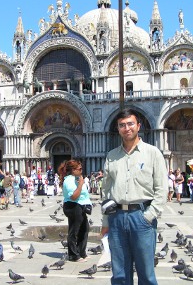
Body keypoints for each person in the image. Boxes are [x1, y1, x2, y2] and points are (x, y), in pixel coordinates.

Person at [101, 108, 168, 285]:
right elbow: (106, 192)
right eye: (122, 125)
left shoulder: (153, 153)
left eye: (130, 124)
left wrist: (149, 216)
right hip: (116, 218)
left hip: (141, 217)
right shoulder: (111, 156)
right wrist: (106, 221)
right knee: (120, 274)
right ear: (118, 128)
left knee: (146, 273)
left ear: (138, 126)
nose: (126, 128)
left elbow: (162, 189)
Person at [58, 159, 92, 262]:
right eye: (79, 169)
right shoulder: (69, 180)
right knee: (74, 231)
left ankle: (81, 252)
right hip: (73, 206)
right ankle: (73, 255)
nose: (81, 170)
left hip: (80, 206)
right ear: (73, 170)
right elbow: (73, 196)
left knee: (84, 229)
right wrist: (81, 184)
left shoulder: (76, 178)